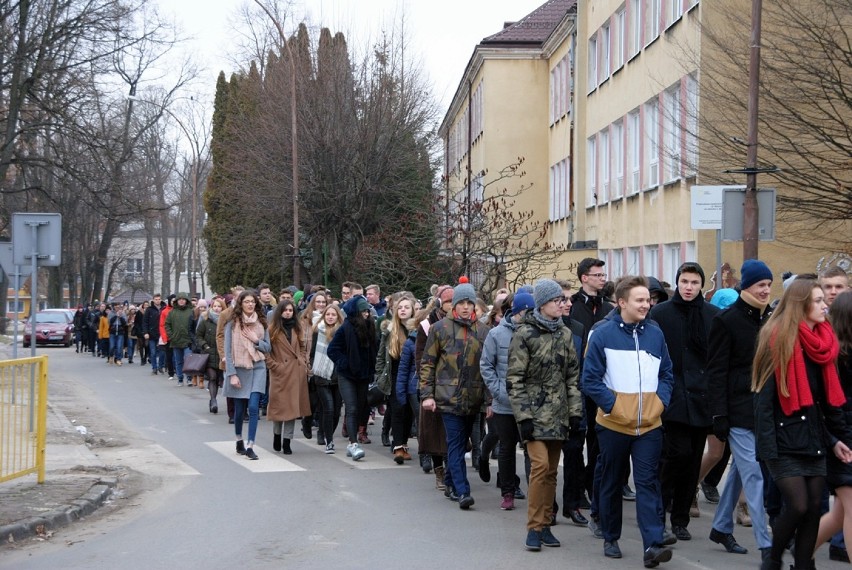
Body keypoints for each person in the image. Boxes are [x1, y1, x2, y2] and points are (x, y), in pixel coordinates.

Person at [752, 278, 852, 570]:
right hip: (783, 441)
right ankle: (772, 560)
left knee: (812, 511)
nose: (825, 306)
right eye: (818, 301)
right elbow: (762, 400)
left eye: (824, 300)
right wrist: (767, 449)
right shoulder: (776, 339)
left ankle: (804, 565)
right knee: (798, 505)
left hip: (814, 439)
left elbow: (822, 404)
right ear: (801, 305)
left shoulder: (824, 343)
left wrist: (834, 441)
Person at [582, 275, 674, 568]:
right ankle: (610, 536)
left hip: (649, 425)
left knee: (647, 482)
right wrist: (615, 407)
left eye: (648, 300)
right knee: (611, 480)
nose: (646, 305)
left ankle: (653, 544)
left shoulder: (655, 334)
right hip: (612, 425)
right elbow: (590, 380)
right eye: (640, 300)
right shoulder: (602, 333)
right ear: (622, 302)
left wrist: (659, 403)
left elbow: (667, 374)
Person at [707, 259, 774, 561]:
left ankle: (721, 526)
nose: (766, 290)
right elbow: (716, 371)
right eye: (761, 285)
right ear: (747, 286)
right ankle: (766, 544)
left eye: (769, 285)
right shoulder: (726, 320)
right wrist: (719, 414)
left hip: (761, 409)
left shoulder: (768, 320)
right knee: (755, 475)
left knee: (739, 471)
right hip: (735, 411)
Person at [507, 280, 582, 551]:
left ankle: (546, 525)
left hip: (559, 414)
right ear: (542, 304)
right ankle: (533, 527)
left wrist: (575, 413)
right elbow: (515, 379)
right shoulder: (524, 334)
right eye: (556, 301)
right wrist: (523, 418)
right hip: (534, 414)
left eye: (562, 301)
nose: (561, 305)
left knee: (551, 471)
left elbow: (572, 377)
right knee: (539, 468)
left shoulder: (564, 334)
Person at [649, 262, 719, 540]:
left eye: (694, 283)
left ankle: (680, 519)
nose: (689, 287)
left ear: (702, 285)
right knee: (674, 455)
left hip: (701, 397)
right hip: (672, 395)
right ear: (677, 283)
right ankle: (660, 512)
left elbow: (716, 359)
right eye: (684, 282)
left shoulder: (712, 315)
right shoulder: (661, 313)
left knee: (692, 462)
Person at [420, 281, 489, 510]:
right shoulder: (440, 328)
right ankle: (463, 491)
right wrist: (427, 395)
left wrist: (489, 400)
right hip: (447, 397)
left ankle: (450, 482)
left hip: (474, 397)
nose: (466, 307)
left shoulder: (483, 331)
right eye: (462, 303)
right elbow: (428, 363)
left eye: (470, 303)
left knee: (461, 443)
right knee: (456, 442)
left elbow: (488, 367)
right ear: (454, 305)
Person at [481, 293, 533, 511]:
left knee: (532, 449)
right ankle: (508, 491)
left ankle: (536, 492)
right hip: (505, 402)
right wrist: (499, 392)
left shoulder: (536, 334)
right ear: (517, 311)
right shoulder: (496, 334)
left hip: (530, 403)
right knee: (507, 448)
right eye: (527, 312)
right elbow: (486, 365)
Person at [327, 295, 377, 461]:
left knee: (362, 407)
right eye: (363, 311)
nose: (366, 314)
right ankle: (353, 443)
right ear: (356, 312)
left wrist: (372, 369)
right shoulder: (345, 328)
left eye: (367, 311)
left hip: (364, 375)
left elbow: (374, 349)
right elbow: (332, 349)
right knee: (352, 408)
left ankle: (354, 440)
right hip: (347, 375)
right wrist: (344, 363)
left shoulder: (370, 327)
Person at [222, 290, 271, 460]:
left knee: (253, 407)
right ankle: (238, 439)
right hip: (239, 369)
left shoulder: (262, 324)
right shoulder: (232, 324)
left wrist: (256, 340)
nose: (250, 304)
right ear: (241, 304)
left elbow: (268, 348)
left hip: (258, 367)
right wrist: (232, 374)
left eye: (253, 302)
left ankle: (250, 445)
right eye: (247, 302)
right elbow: (228, 352)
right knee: (239, 409)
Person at [266, 299, 310, 455]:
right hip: (280, 373)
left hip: (295, 373)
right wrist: (275, 366)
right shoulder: (272, 329)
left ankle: (287, 441)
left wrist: (303, 361)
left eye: (291, 310)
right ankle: (277, 436)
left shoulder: (298, 328)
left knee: (292, 408)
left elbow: (304, 347)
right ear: (280, 312)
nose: (288, 313)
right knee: (279, 408)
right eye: (285, 310)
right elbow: (266, 352)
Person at [311, 304, 344, 453]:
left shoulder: (342, 332)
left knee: (336, 411)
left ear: (338, 317)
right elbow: (312, 352)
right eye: (328, 314)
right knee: (328, 408)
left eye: (333, 314)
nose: (330, 317)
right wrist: (312, 368)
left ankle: (323, 431)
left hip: (338, 375)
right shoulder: (317, 331)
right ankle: (329, 441)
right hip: (321, 374)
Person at [196, 297, 225, 414]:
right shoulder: (205, 320)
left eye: (220, 306)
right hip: (209, 353)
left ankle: (213, 399)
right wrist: (205, 346)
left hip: (221, 354)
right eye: (215, 306)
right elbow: (198, 336)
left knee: (218, 378)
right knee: (212, 377)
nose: (217, 309)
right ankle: (213, 400)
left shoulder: (226, 322)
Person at [165, 292, 194, 387]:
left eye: (183, 299)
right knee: (178, 361)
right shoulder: (172, 312)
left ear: (186, 300)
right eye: (180, 299)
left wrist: (193, 337)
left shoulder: (191, 311)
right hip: (175, 340)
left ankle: (189, 378)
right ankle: (180, 379)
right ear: (177, 301)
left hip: (188, 341)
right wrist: (171, 336)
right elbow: (167, 325)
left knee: (188, 359)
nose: (181, 301)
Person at [144, 294, 165, 375]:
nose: (157, 301)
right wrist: (146, 332)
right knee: (153, 352)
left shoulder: (164, 308)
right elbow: (145, 322)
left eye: (159, 299)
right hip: (152, 333)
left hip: (162, 333)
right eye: (156, 299)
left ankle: (160, 366)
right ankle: (154, 367)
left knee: (162, 352)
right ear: (153, 300)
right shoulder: (149, 310)